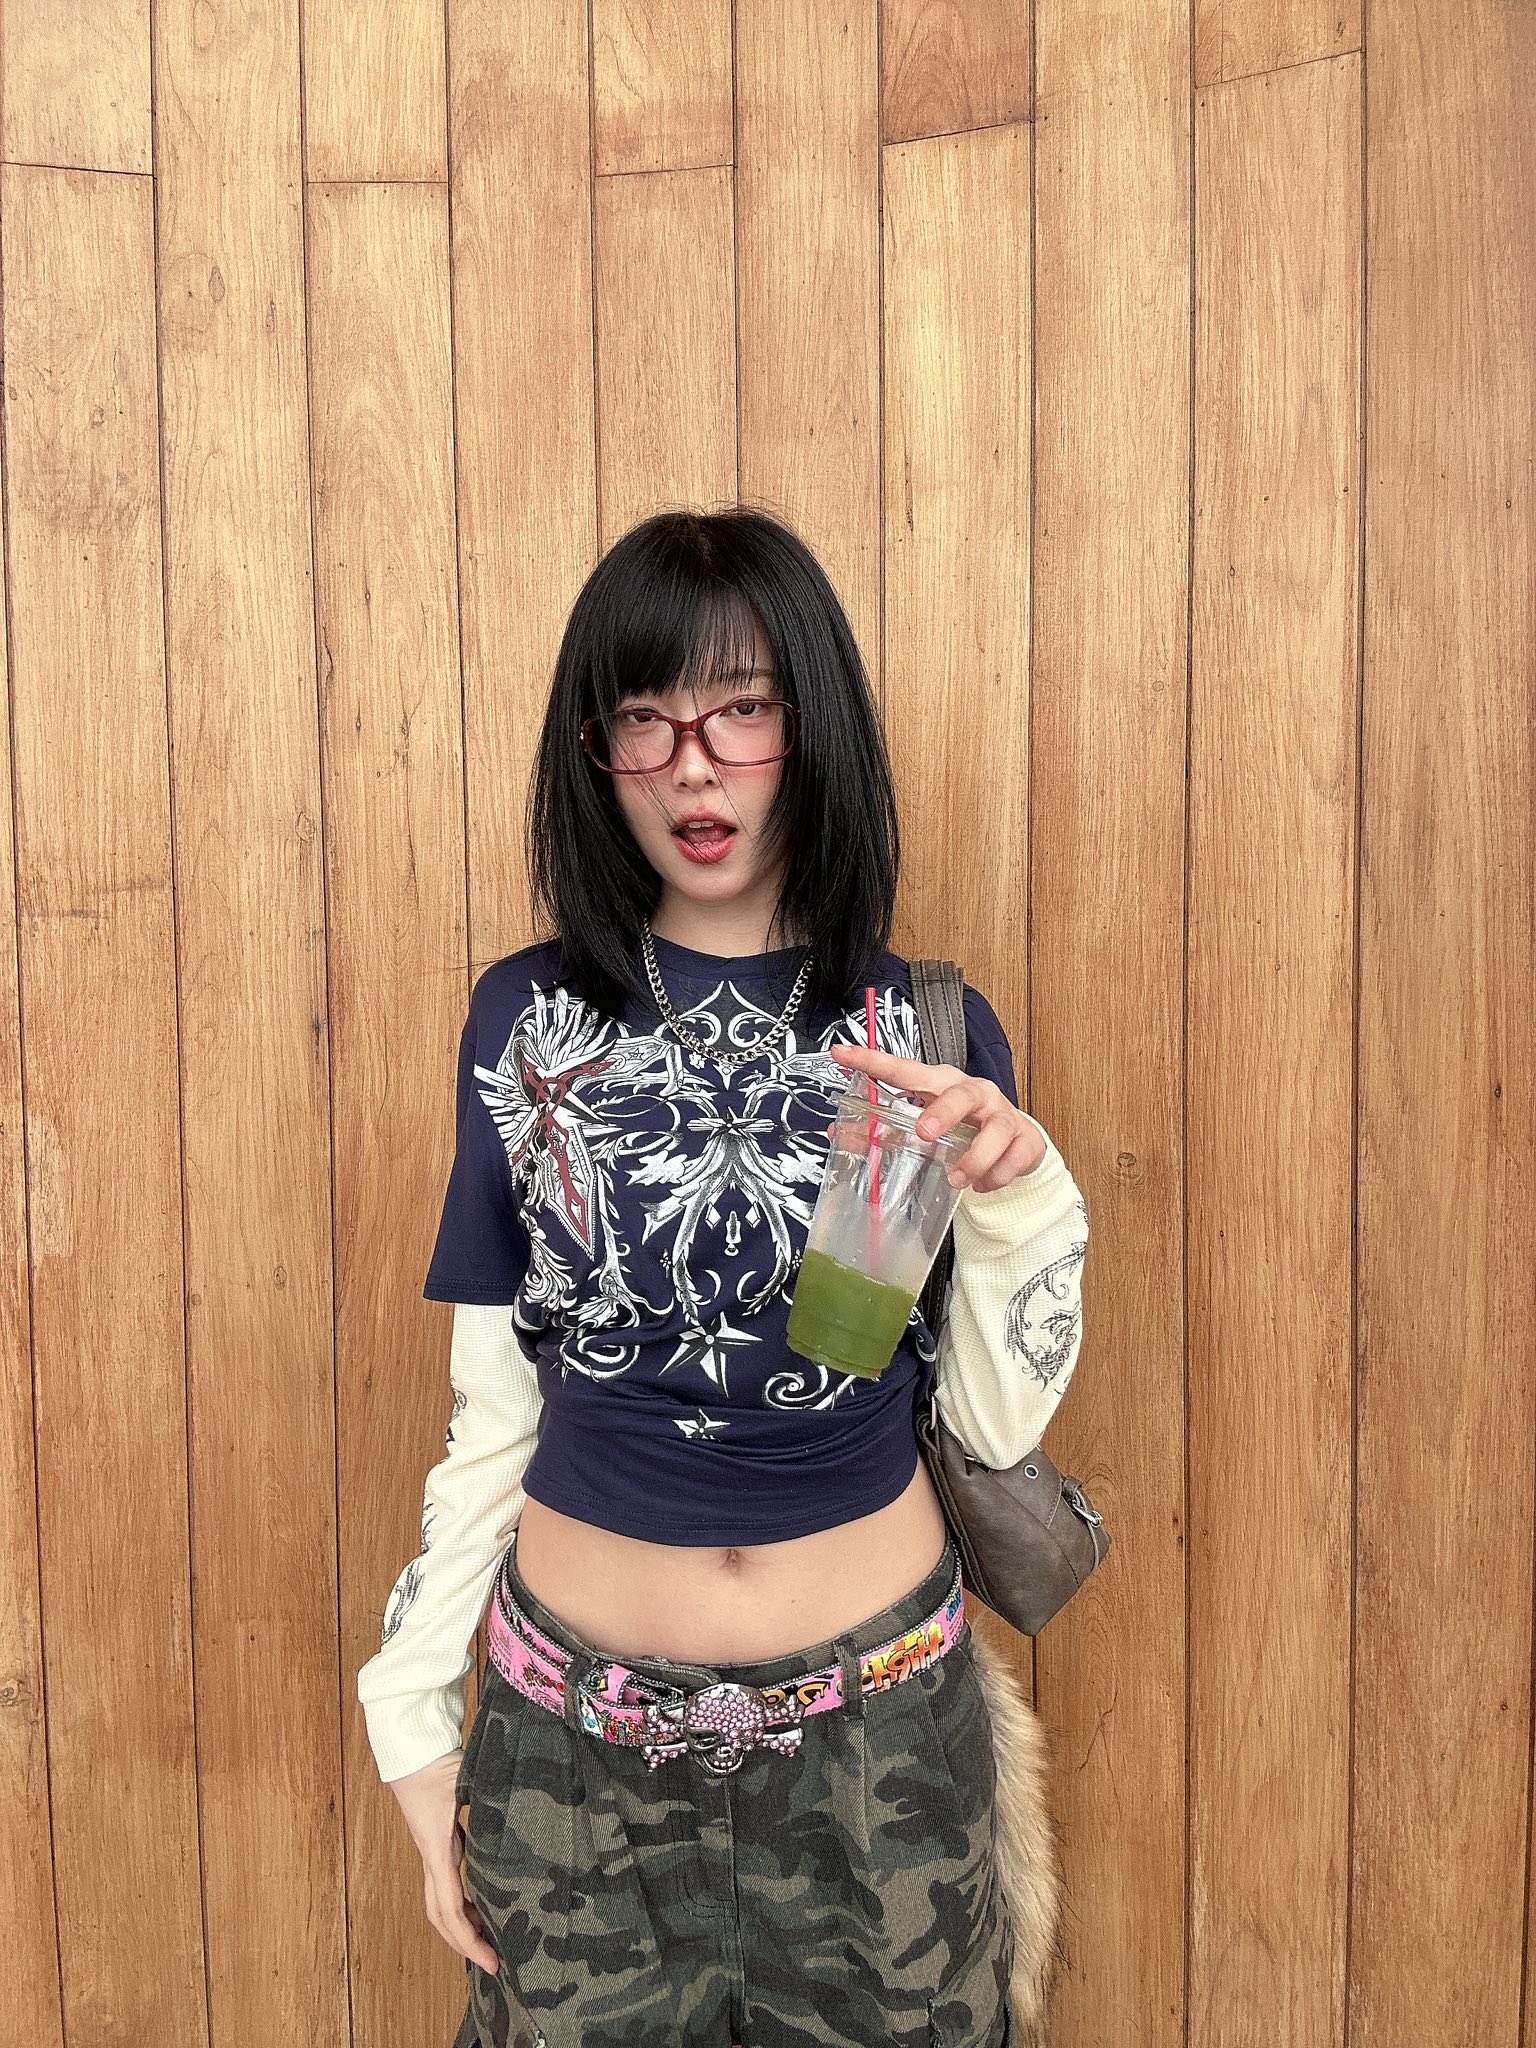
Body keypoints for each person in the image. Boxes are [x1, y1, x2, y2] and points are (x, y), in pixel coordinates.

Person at [356, 507, 1090, 2048]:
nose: (695, 766)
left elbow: (986, 1423)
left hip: (881, 1751)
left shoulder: (920, 1032)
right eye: (645, 718)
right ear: (595, 751)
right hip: (576, 1765)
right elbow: (493, 1414)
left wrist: (1019, 1190)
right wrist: (410, 1715)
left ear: (811, 735)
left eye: (743, 709)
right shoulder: (526, 1027)